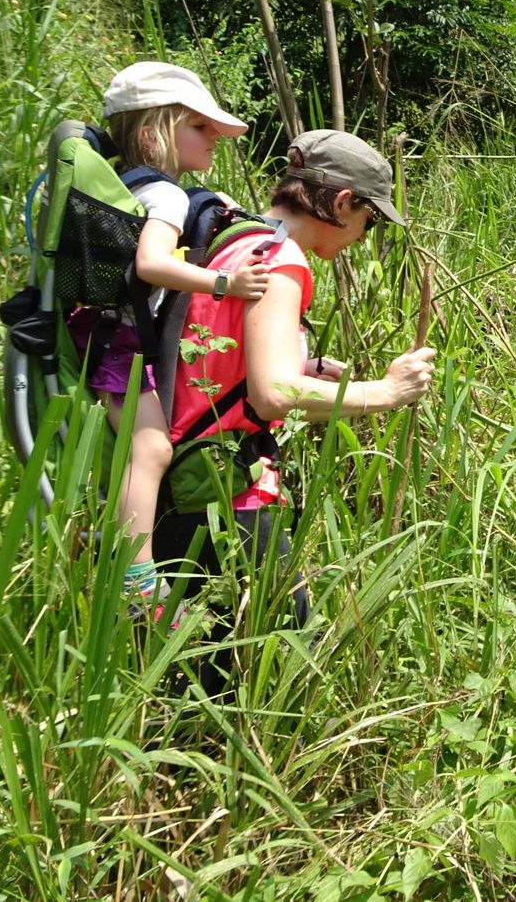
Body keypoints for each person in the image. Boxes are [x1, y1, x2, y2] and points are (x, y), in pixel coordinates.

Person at [155, 128, 436, 629]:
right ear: (344, 202)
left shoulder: (238, 241)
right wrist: (386, 392)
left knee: (195, 655)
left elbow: (220, 357)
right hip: (220, 489)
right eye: (368, 223)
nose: (361, 238)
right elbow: (272, 394)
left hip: (177, 478)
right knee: (279, 641)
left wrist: (302, 368)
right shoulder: (282, 261)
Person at [72, 61, 268, 613]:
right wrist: (225, 281)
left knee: (141, 448)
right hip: (122, 346)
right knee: (151, 449)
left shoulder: (132, 184)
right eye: (200, 128)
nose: (213, 140)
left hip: (103, 334)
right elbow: (153, 262)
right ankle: (135, 580)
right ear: (158, 130)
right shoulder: (167, 196)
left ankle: (104, 540)